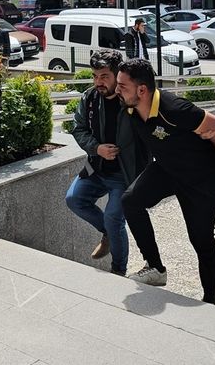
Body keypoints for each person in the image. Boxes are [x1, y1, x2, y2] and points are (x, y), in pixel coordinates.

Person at [116, 58, 215, 305]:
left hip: (202, 179)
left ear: (141, 90)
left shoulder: (175, 109)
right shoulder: (131, 108)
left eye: (122, 86)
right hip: (167, 170)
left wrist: (209, 147)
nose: (117, 90)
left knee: (201, 239)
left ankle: (211, 300)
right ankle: (155, 268)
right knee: (131, 201)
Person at [66, 50, 150, 276]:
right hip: (96, 169)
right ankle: (108, 233)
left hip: (124, 174)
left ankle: (118, 271)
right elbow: (78, 128)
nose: (98, 82)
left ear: (117, 75)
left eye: (104, 76)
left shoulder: (131, 98)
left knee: (114, 218)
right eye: (95, 76)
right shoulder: (90, 98)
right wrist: (97, 148)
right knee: (74, 199)